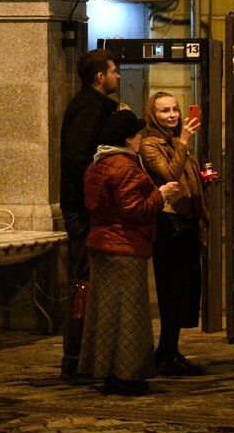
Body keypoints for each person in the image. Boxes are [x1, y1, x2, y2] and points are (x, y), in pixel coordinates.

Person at [80, 110, 180, 396]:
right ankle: (128, 375)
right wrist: (161, 195)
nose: (141, 138)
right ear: (128, 138)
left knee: (106, 312)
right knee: (129, 313)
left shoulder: (99, 163)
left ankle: (108, 372)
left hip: (102, 243)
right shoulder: (123, 167)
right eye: (138, 134)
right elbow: (133, 210)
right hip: (123, 246)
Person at [59, 49, 120, 382]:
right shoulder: (87, 108)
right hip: (83, 210)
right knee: (84, 281)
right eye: (113, 71)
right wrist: (96, 198)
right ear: (100, 76)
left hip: (85, 207)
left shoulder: (94, 106)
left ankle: (85, 354)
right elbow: (79, 158)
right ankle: (74, 357)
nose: (118, 76)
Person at [140, 91, 210, 377]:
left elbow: (184, 173)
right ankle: (165, 354)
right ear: (152, 115)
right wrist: (183, 142)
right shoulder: (150, 144)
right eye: (164, 111)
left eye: (175, 109)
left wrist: (202, 177)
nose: (172, 115)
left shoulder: (174, 141)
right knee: (172, 292)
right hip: (169, 225)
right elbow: (168, 173)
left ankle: (170, 350)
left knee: (186, 291)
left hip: (188, 221)